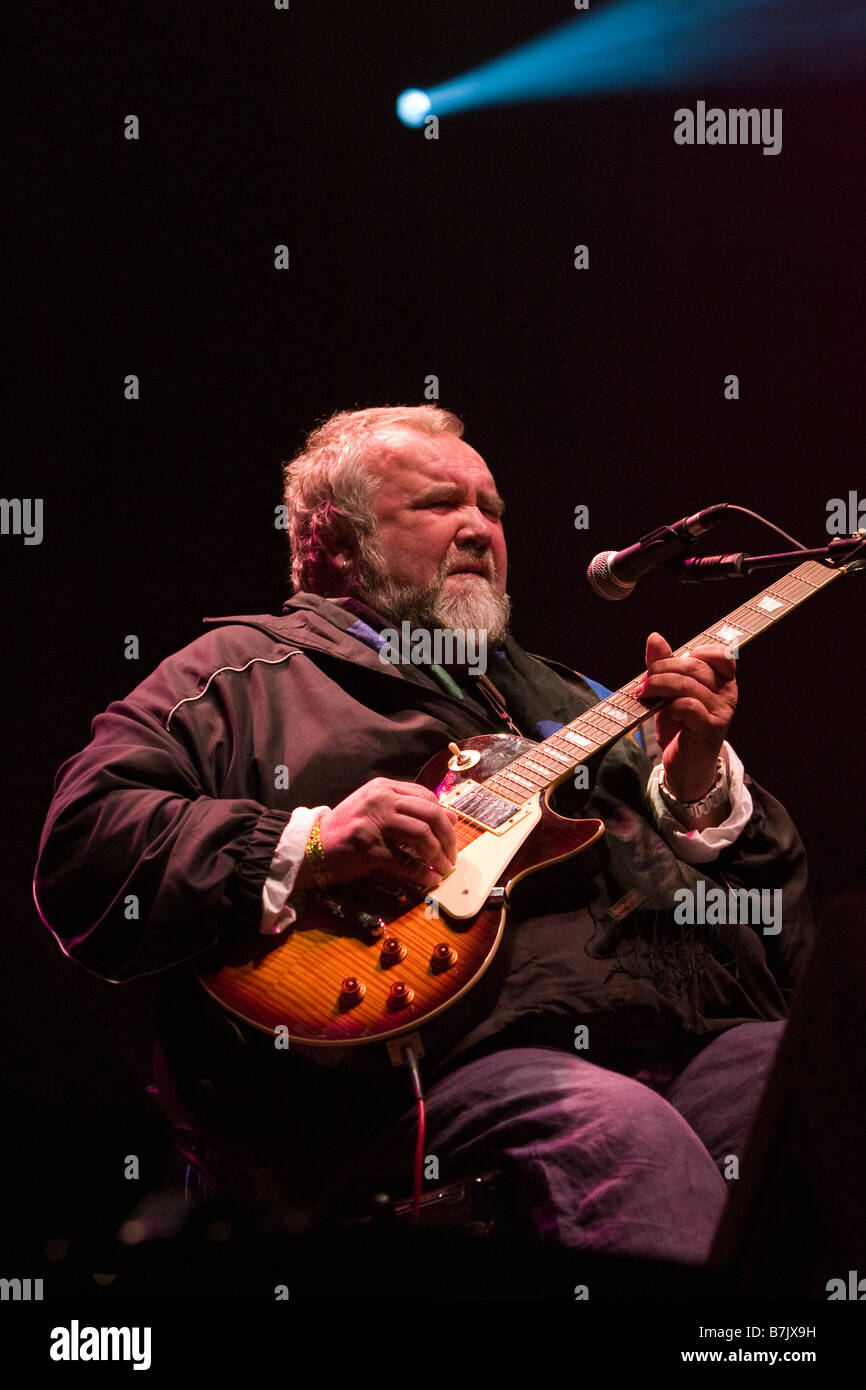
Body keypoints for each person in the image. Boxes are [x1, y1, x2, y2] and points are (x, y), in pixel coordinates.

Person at [33, 404, 812, 1264]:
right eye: (441, 505)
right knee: (617, 1136)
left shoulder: (578, 697)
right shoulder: (236, 680)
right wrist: (315, 843)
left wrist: (699, 788)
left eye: (492, 508)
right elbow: (85, 845)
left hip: (682, 1037)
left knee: (813, 1089)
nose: (479, 528)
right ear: (332, 541)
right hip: (416, 1076)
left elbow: (788, 950)